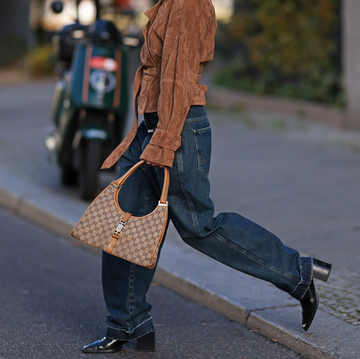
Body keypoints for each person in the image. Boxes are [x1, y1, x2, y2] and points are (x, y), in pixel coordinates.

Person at [83, 0, 332, 353]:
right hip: (152, 125)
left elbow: (179, 79)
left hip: (176, 130)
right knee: (125, 225)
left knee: (199, 226)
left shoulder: (186, 3)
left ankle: (297, 272)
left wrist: (164, 141)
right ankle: (125, 324)